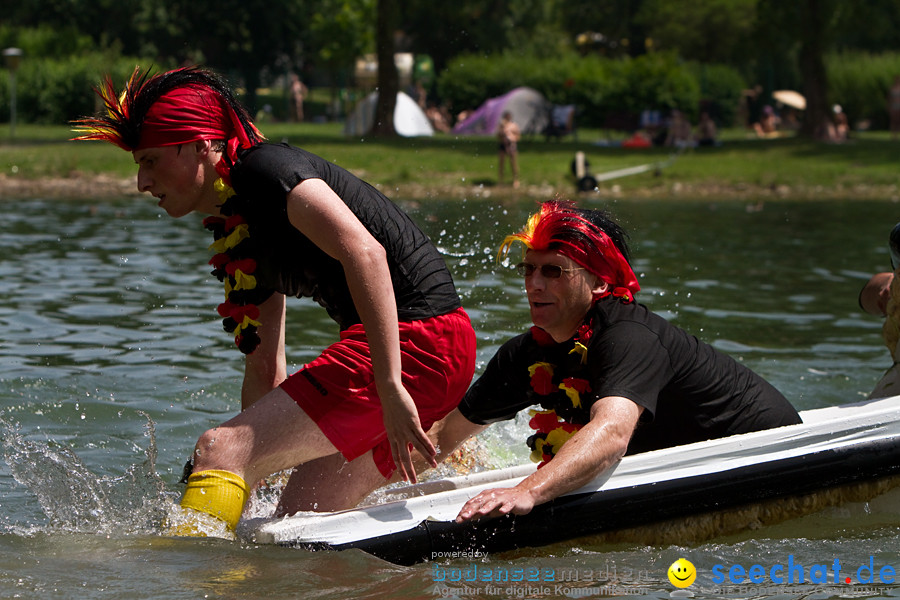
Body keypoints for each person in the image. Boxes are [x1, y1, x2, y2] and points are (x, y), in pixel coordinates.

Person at [73, 66, 476, 533]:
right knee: (298, 524)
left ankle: (188, 572)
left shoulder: (266, 171)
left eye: (150, 161)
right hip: (431, 356)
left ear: (202, 143)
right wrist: (252, 478)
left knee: (218, 448)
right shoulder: (236, 232)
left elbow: (366, 253)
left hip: (418, 347)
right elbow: (266, 371)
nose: (142, 182)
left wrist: (389, 385)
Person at [425, 200, 802, 523]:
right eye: (529, 269)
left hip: (772, 457)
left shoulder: (629, 336)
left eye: (553, 271)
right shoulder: (524, 355)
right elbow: (443, 437)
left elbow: (611, 434)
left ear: (600, 284)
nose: (534, 284)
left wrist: (528, 491)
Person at [496, 111, 521, 188]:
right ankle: (501, 180)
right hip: (503, 144)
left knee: (513, 163)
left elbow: (518, 136)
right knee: (501, 163)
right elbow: (498, 136)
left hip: (511, 144)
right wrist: (502, 129)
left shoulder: (514, 125)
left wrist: (513, 138)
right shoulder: (501, 125)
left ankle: (516, 180)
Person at [889, 76, 900, 140]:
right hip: (894, 106)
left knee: (899, 121)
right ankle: (893, 135)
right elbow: (889, 98)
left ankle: (897, 135)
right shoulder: (892, 88)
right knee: (893, 121)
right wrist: (889, 107)